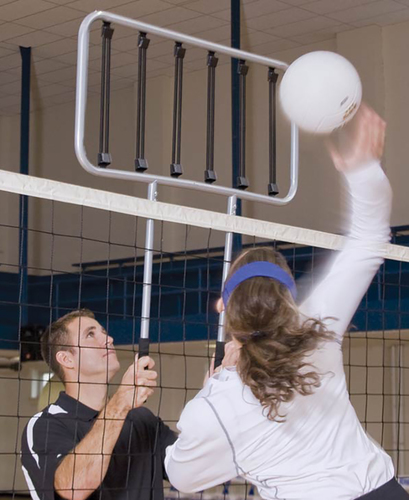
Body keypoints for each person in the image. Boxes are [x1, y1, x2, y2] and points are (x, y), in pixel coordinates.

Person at [164, 105, 409, 500]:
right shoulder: (315, 330)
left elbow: (182, 478)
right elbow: (369, 239)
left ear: (223, 307)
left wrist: (211, 389)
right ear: (289, 299)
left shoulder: (218, 404)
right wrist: (364, 169)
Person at [21, 309, 176, 500]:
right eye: (90, 334)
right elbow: (74, 487)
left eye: (104, 332)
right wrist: (119, 404)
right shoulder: (45, 426)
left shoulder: (142, 419)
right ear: (66, 359)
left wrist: (212, 396)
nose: (109, 338)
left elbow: (191, 468)